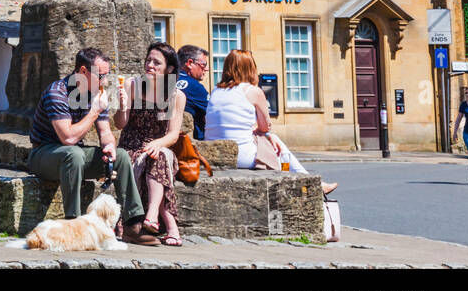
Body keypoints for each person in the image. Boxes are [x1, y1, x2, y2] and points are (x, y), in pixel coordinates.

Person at [26, 47, 160, 246]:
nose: (105, 82)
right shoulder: (57, 93)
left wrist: (109, 147)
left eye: (107, 76)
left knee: (122, 156)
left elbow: (105, 132)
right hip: (44, 155)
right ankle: (73, 225)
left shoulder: (95, 93)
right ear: (82, 72)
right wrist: (94, 111)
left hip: (74, 156)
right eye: (101, 76)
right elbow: (68, 138)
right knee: (73, 153)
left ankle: (133, 225)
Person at [205, 49, 337, 195]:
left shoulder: (215, 91)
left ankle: (304, 180)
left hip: (216, 154)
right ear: (250, 68)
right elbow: (265, 126)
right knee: (277, 145)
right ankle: (307, 181)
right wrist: (265, 133)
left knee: (272, 141)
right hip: (242, 156)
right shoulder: (253, 91)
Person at [113, 42, 186, 247]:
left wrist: (156, 143)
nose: (150, 65)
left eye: (156, 62)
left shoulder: (176, 96)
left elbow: (172, 135)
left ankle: (151, 215)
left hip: (159, 144)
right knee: (149, 157)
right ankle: (169, 227)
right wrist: (122, 106)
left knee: (159, 155)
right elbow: (120, 125)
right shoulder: (132, 85)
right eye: (148, 61)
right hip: (130, 144)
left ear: (169, 69)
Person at [175, 44, 210, 141]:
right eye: (203, 64)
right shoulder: (194, 86)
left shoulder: (166, 79)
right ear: (190, 63)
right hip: (190, 142)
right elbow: (212, 116)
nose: (206, 69)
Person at [453, 85, 468, 185]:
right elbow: (458, 118)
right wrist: (454, 132)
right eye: (466, 93)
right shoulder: (464, 104)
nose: (466, 95)